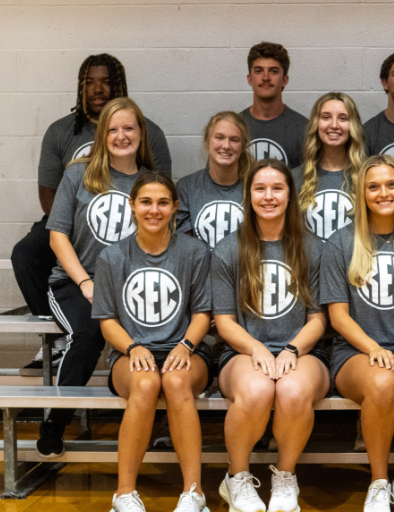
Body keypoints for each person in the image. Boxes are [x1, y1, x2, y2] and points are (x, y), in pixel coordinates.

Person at [13, 53, 171, 372]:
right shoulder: (62, 132)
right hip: (70, 220)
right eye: (90, 82)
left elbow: (159, 190)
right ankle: (57, 338)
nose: (97, 89)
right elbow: (49, 196)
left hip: (128, 226)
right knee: (26, 253)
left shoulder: (149, 131)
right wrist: (77, 225)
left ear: (119, 86)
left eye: (106, 82)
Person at [321, 155, 394, 512]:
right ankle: (377, 481)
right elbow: (338, 316)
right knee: (382, 383)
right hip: (356, 352)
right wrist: (374, 348)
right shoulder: (340, 242)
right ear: (362, 194)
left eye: (391, 185)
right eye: (373, 186)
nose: (383, 193)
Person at [39, 97, 155, 457]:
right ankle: (54, 423)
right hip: (76, 282)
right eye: (113, 129)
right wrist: (86, 282)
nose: (122, 136)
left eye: (129, 128)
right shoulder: (79, 173)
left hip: (129, 286)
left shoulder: (150, 182)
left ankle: (151, 430)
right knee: (88, 334)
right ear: (103, 134)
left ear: (140, 133)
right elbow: (57, 234)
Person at [212, 159, 329, 512]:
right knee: (259, 388)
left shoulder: (313, 247)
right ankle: (237, 478)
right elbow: (224, 320)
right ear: (248, 196)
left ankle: (285, 477)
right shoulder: (229, 248)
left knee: (292, 390)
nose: (268, 196)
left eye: (277, 188)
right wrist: (256, 348)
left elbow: (320, 317)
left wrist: (293, 347)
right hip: (243, 352)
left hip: (304, 351)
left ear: (290, 195)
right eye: (259, 188)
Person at [93, 171, 212, 512]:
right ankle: (125, 494)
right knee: (146, 384)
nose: (154, 210)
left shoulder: (194, 252)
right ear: (132, 206)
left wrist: (185, 345)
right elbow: (107, 321)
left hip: (186, 350)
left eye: (163, 202)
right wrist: (132, 347)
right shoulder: (111, 257)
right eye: (146, 202)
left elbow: (203, 313)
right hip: (130, 352)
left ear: (175, 207)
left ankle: (194, 492)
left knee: (174, 381)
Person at [293, 92, 368, 240]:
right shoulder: (295, 178)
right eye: (326, 117)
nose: (334, 125)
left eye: (343, 118)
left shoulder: (368, 177)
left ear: (353, 125)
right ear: (316, 124)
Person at [177, 111, 253, 250]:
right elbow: (185, 250)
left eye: (234, 140)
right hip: (201, 270)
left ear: (242, 147)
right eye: (219, 137)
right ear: (207, 141)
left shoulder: (254, 187)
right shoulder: (186, 188)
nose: (226, 145)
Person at [240, 42, 308, 168]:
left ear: (284, 80)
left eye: (274, 71)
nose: (266, 77)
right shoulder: (235, 126)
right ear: (249, 79)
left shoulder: (305, 129)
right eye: (259, 71)